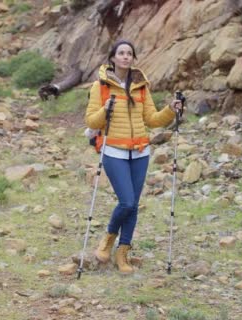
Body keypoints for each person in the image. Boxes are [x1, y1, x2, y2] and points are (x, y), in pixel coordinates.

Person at [85, 40, 184, 274]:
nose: (126, 57)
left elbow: (152, 119)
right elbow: (91, 121)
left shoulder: (141, 86)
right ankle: (109, 238)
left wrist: (171, 108)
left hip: (140, 152)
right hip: (114, 151)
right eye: (121, 53)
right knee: (127, 201)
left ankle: (123, 253)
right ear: (113, 58)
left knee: (133, 206)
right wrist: (105, 109)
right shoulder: (100, 87)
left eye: (129, 53)